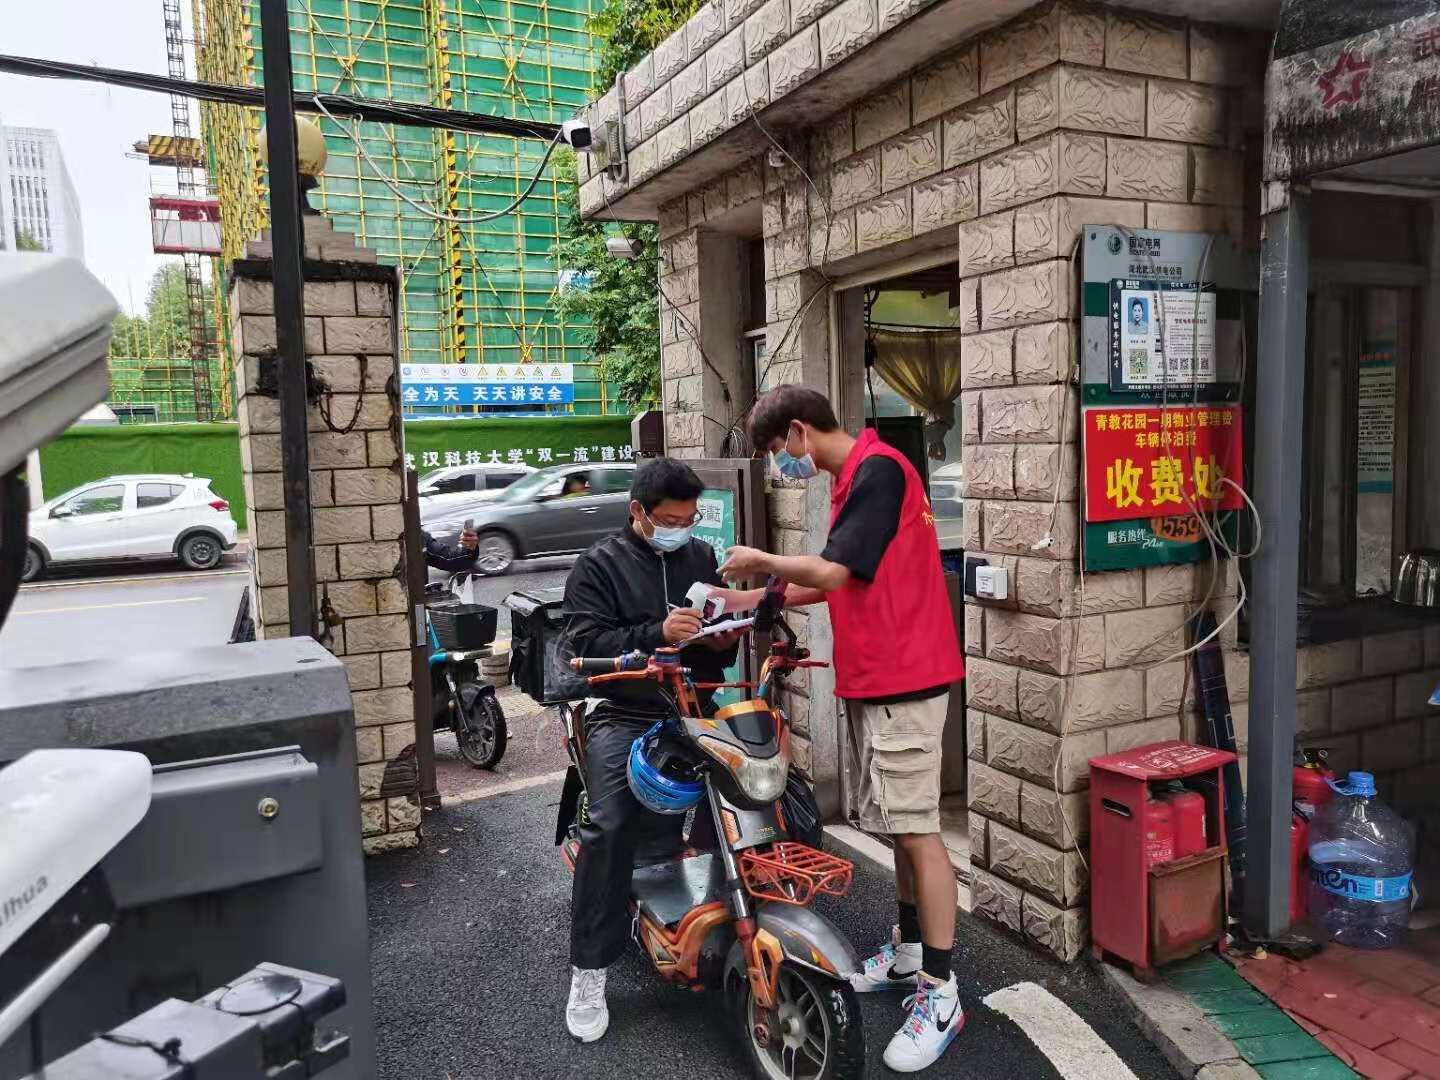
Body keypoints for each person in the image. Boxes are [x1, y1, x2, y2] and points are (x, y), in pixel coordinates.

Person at [719, 385, 966, 1074]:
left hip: (903, 679)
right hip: (878, 679)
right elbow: (840, 581)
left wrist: (763, 562)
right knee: (900, 828)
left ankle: (941, 993)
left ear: (800, 431)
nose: (782, 465)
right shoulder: (853, 477)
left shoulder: (878, 471)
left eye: (779, 450)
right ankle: (911, 951)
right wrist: (751, 598)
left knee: (918, 832)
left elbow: (829, 568)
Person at [560, 457, 744, 1044]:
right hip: (624, 709)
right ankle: (589, 969)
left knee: (754, 798)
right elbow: (584, 643)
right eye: (671, 520)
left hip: (695, 707)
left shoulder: (701, 557)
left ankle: (733, 915)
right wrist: (654, 635)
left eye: (689, 520)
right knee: (610, 823)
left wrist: (725, 635)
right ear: (638, 511)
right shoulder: (598, 565)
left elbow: (715, 652)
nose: (682, 530)